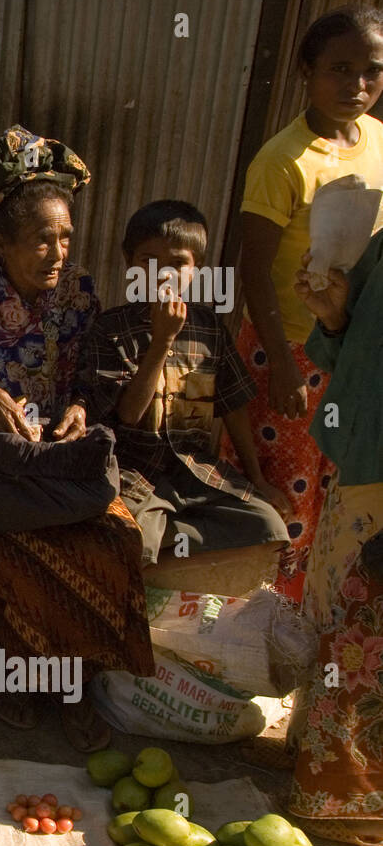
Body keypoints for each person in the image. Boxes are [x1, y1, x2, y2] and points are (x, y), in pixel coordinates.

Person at [0, 126, 152, 752]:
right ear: (3, 242)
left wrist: (81, 410)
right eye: (41, 238)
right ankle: (26, 674)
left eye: (65, 236)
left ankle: (78, 681)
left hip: (63, 458)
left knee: (114, 533)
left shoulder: (80, 296)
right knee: (21, 536)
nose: (58, 251)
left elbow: (94, 375)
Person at [229, 4, 383, 601]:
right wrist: (284, 363)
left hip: (351, 349)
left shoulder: (376, 142)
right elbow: (254, 268)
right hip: (287, 348)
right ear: (306, 72)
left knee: (336, 487)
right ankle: (262, 616)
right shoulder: (282, 161)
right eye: (339, 70)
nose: (357, 86)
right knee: (284, 496)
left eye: (371, 71)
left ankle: (312, 614)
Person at [81, 200, 291, 584]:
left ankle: (171, 541)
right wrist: (161, 342)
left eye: (178, 264)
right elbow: (128, 414)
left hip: (198, 472)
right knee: (126, 542)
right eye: (149, 260)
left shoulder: (210, 328)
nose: (163, 274)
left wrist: (258, 480)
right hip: (135, 473)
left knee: (267, 525)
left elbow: (234, 407)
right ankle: (158, 543)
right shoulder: (109, 329)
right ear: (130, 263)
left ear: (196, 271)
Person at [287, 235, 383, 846]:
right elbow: (349, 348)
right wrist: (333, 315)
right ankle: (322, 779)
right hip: (362, 461)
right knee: (340, 620)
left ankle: (356, 799)